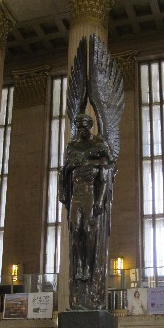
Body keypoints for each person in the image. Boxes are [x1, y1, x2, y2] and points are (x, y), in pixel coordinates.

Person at [59, 114, 115, 309]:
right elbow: (64, 170)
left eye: (84, 126)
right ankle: (80, 266)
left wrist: (100, 200)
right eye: (78, 126)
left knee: (89, 231)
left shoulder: (99, 147)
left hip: (90, 194)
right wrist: (68, 169)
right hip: (76, 196)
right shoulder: (72, 148)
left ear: (90, 127)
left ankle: (90, 268)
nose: (81, 129)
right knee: (76, 231)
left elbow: (107, 173)